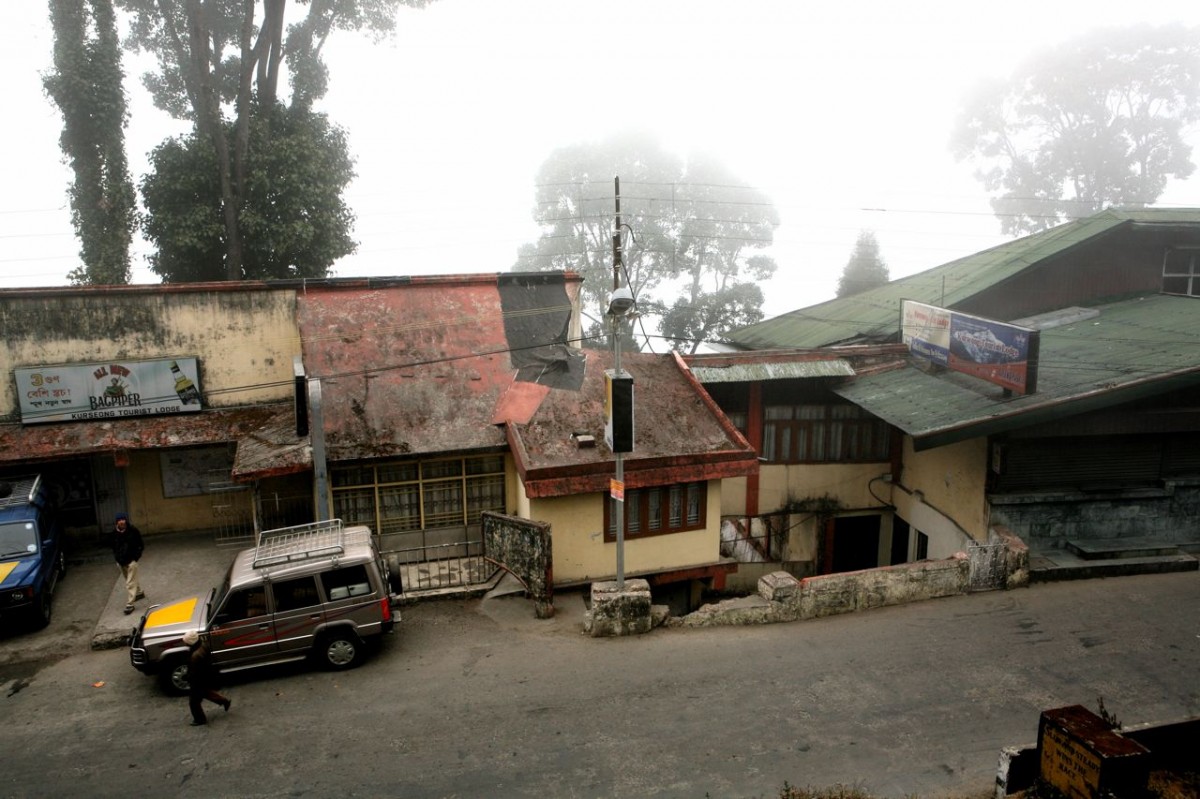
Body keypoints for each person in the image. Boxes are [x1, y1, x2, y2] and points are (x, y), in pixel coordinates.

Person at [183, 630, 231, 726]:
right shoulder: (203, 646)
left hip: (199, 680)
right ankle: (224, 701)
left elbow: (194, 673)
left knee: (194, 702)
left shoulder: (195, 656)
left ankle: (200, 719)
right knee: (206, 693)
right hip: (205, 677)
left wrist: (187, 678)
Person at [111, 511, 145, 615]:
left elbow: (141, 544)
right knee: (129, 578)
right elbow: (113, 547)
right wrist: (117, 558)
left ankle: (130, 604)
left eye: (123, 519)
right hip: (120, 561)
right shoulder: (114, 534)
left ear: (126, 520)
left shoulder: (133, 531)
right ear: (117, 522)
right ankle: (138, 592)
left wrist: (136, 557)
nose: (122, 521)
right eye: (120, 520)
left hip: (131, 561)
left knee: (130, 582)